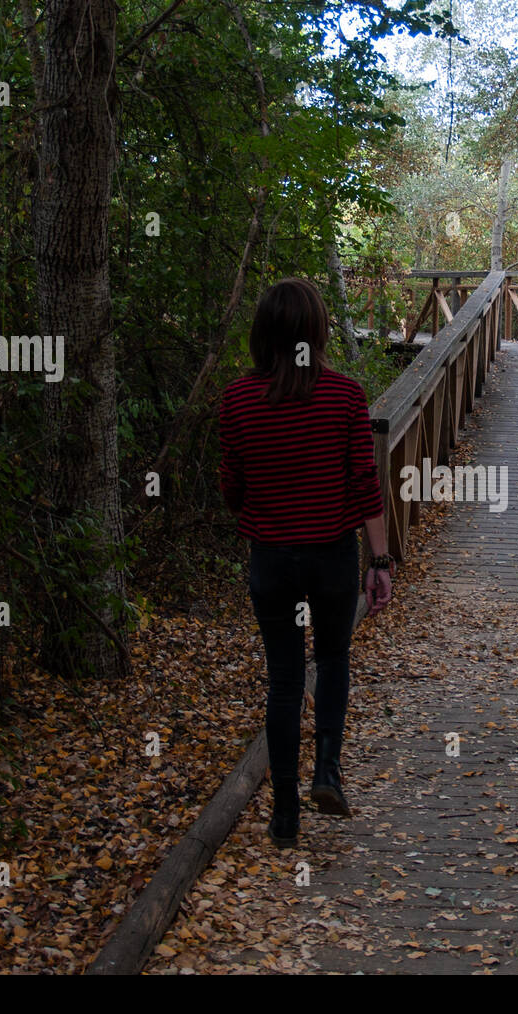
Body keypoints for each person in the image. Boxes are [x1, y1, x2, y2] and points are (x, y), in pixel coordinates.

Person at [219, 277, 394, 849]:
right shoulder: (345, 395)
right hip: (331, 557)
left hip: (272, 560)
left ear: (264, 332)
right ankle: (327, 770)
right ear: (317, 332)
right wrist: (381, 560)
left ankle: (285, 813)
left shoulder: (238, 401)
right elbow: (366, 486)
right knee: (334, 657)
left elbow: (233, 492)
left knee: (285, 681)